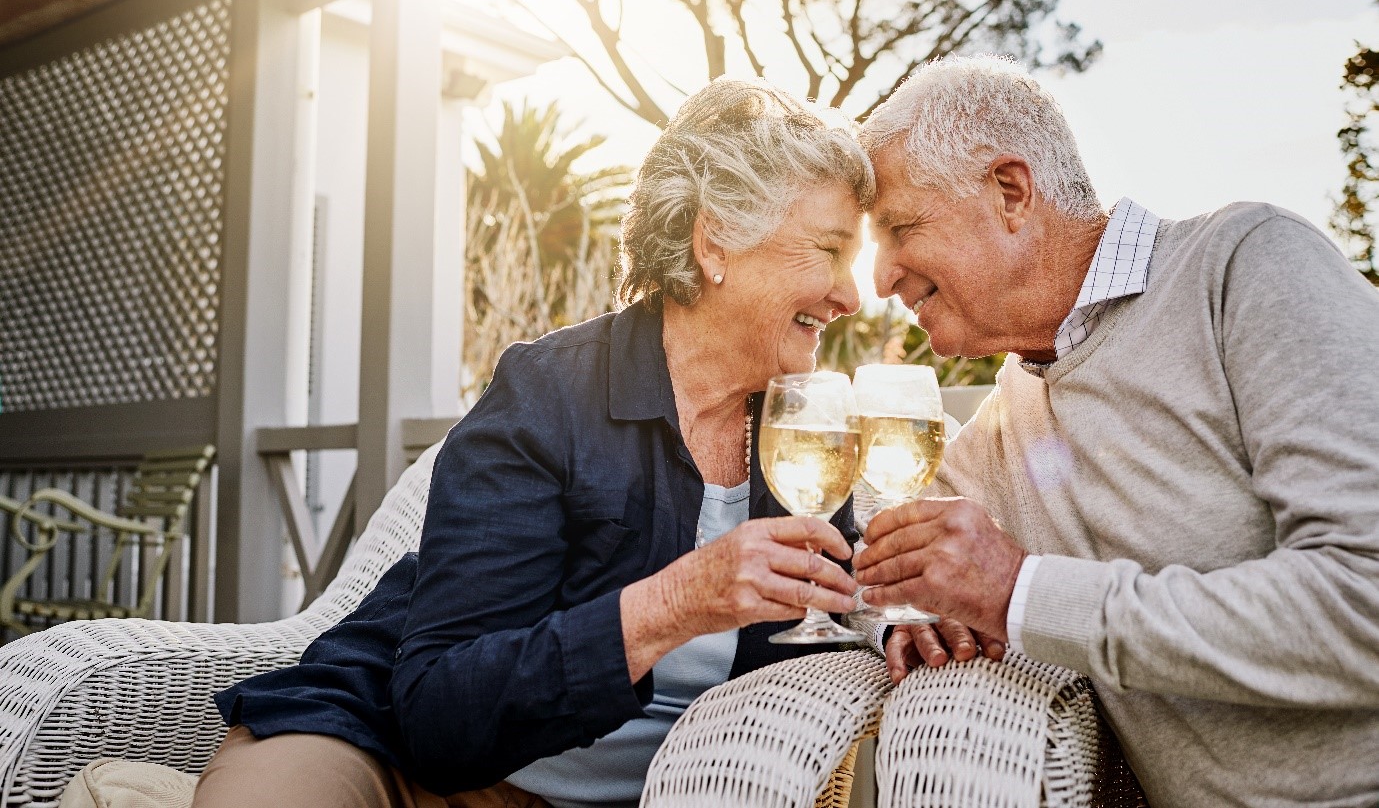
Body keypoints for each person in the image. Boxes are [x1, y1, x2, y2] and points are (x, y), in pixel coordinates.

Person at [189, 78, 875, 808]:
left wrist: (897, 620)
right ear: (715, 243)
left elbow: (828, 620)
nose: (850, 295)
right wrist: (679, 598)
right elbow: (438, 711)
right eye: (828, 251)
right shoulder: (548, 394)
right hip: (390, 751)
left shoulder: (803, 429)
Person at [851, 54, 1379, 806]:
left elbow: (1366, 597)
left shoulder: (1245, 265)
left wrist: (1017, 592)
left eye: (899, 227)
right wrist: (905, 615)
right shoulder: (1012, 407)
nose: (879, 280)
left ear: (1010, 190)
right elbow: (870, 544)